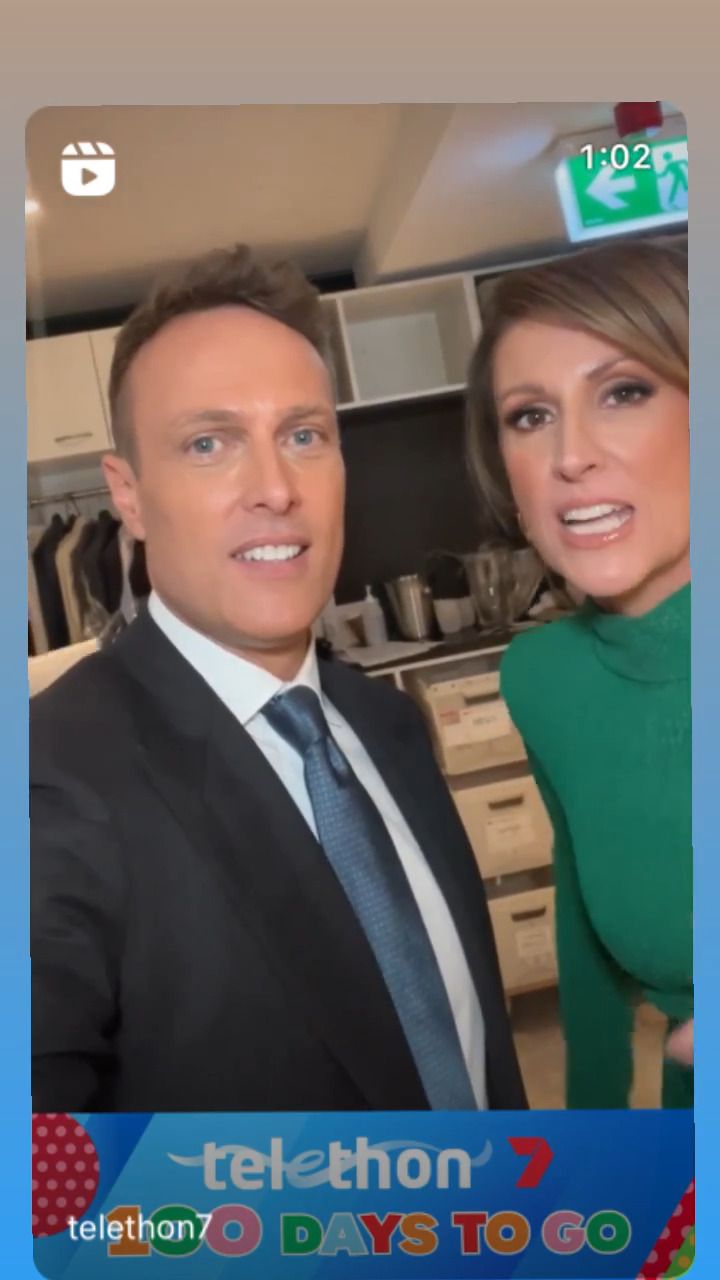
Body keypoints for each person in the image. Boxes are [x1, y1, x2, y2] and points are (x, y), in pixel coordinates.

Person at [31, 244, 526, 1113]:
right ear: (129, 495)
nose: (275, 487)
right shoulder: (48, 777)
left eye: (303, 436)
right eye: (209, 443)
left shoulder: (387, 725)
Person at [465, 238, 692, 1109]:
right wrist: (593, 1140)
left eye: (623, 392)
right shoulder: (544, 678)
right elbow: (583, 922)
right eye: (530, 416)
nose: (571, 455)